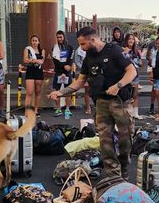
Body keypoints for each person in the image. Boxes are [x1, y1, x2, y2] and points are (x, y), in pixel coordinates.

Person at [49, 26, 137, 181]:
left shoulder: (114, 50)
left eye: (83, 44)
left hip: (120, 102)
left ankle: (123, 168)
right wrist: (60, 92)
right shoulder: (88, 57)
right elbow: (80, 82)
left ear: (92, 39)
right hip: (101, 102)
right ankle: (112, 176)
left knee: (125, 139)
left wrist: (118, 86)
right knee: (105, 141)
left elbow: (132, 71)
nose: (81, 48)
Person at [51, 30, 74, 119]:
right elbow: (55, 61)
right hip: (58, 72)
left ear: (64, 37)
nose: (59, 39)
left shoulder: (70, 47)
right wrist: (64, 67)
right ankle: (58, 109)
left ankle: (67, 109)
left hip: (67, 72)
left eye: (61, 37)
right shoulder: (55, 48)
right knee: (57, 90)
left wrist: (66, 70)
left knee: (68, 91)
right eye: (57, 37)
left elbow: (70, 60)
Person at [24, 34, 45, 117]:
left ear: (38, 42)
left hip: (39, 72)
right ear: (31, 42)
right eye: (33, 41)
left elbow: (42, 61)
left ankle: (36, 110)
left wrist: (35, 60)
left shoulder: (42, 50)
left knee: (38, 92)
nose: (34, 42)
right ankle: (27, 112)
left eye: (36, 41)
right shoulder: (27, 49)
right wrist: (34, 61)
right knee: (29, 92)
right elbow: (25, 60)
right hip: (30, 71)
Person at [123, 33, 142, 119]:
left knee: (135, 94)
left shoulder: (136, 51)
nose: (131, 40)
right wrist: (125, 53)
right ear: (126, 40)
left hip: (135, 74)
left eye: (132, 39)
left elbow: (141, 62)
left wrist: (138, 62)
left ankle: (135, 113)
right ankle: (127, 113)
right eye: (129, 39)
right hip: (126, 74)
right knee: (127, 95)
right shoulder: (122, 50)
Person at [74, 43, 91, 114]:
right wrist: (84, 68)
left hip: (94, 72)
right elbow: (77, 61)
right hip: (85, 72)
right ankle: (88, 108)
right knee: (87, 90)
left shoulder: (92, 48)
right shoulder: (78, 51)